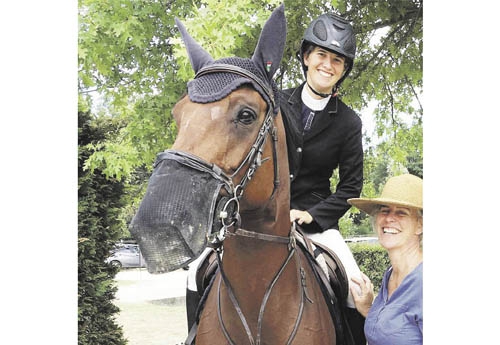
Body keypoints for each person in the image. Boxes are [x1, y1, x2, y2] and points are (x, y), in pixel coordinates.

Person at [279, 11, 364, 321]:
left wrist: (312, 215)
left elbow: (351, 187)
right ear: (306, 56)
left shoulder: (349, 122)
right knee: (198, 269)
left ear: (343, 70)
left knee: (355, 289)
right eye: (321, 55)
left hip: (315, 224)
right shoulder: (274, 102)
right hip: (261, 214)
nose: (327, 65)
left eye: (337, 60)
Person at [348, 173, 423, 345]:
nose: (389, 218)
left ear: (420, 225)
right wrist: (370, 309)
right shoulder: (390, 275)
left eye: (401, 213)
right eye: (384, 210)